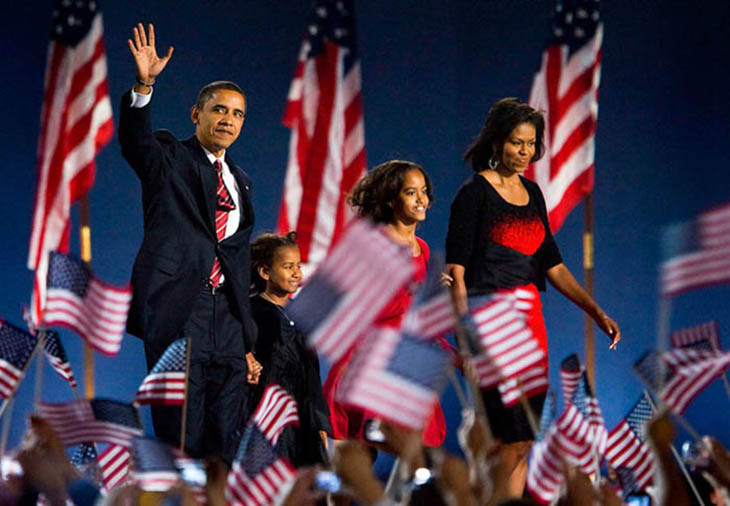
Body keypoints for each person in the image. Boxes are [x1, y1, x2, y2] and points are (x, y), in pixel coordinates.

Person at [444, 97, 621, 500]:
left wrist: (595, 310)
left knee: (525, 440)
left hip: (531, 324)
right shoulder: (474, 194)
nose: (524, 153)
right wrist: (465, 340)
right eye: (515, 143)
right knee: (502, 442)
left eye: (530, 144)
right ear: (496, 143)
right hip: (491, 319)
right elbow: (455, 273)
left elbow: (552, 266)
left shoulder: (533, 194)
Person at [119, 23, 262, 463]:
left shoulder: (241, 181)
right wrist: (144, 85)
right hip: (182, 311)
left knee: (225, 442)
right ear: (195, 113)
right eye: (219, 110)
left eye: (237, 114)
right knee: (180, 438)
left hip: (230, 324)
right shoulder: (169, 158)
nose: (228, 120)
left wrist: (247, 335)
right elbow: (135, 142)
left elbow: (234, 258)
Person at [322, 160, 447, 447]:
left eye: (424, 191)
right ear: (392, 200)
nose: (421, 199)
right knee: (357, 460)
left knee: (417, 454)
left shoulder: (423, 249)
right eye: (410, 192)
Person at [248, 231, 331, 467]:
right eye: (288, 267)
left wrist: (320, 423)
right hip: (266, 417)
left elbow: (312, 373)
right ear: (265, 272)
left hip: (303, 421)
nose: (296, 273)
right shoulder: (252, 314)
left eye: (298, 266)